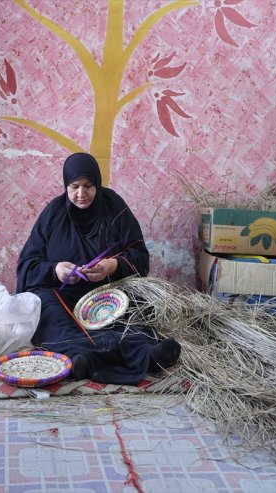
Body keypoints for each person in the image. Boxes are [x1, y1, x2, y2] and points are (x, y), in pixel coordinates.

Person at [16, 152, 181, 384]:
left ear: (98, 183)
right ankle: (82, 356)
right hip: (61, 297)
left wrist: (112, 266)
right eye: (74, 187)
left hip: (109, 295)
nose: (81, 194)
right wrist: (57, 270)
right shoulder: (53, 214)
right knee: (44, 309)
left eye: (88, 186)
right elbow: (27, 266)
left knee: (136, 311)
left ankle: (143, 354)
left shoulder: (115, 208)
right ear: (66, 185)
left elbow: (140, 258)